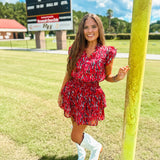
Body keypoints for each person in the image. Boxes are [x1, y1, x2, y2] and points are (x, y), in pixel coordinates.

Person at [58, 13, 130, 160]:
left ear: (99, 28)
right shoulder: (75, 48)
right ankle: (81, 153)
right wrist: (61, 92)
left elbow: (107, 77)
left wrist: (118, 77)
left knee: (75, 135)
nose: (90, 31)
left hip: (90, 96)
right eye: (86, 27)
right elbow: (69, 72)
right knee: (74, 124)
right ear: (82, 30)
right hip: (72, 91)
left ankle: (96, 147)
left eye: (93, 26)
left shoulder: (107, 51)